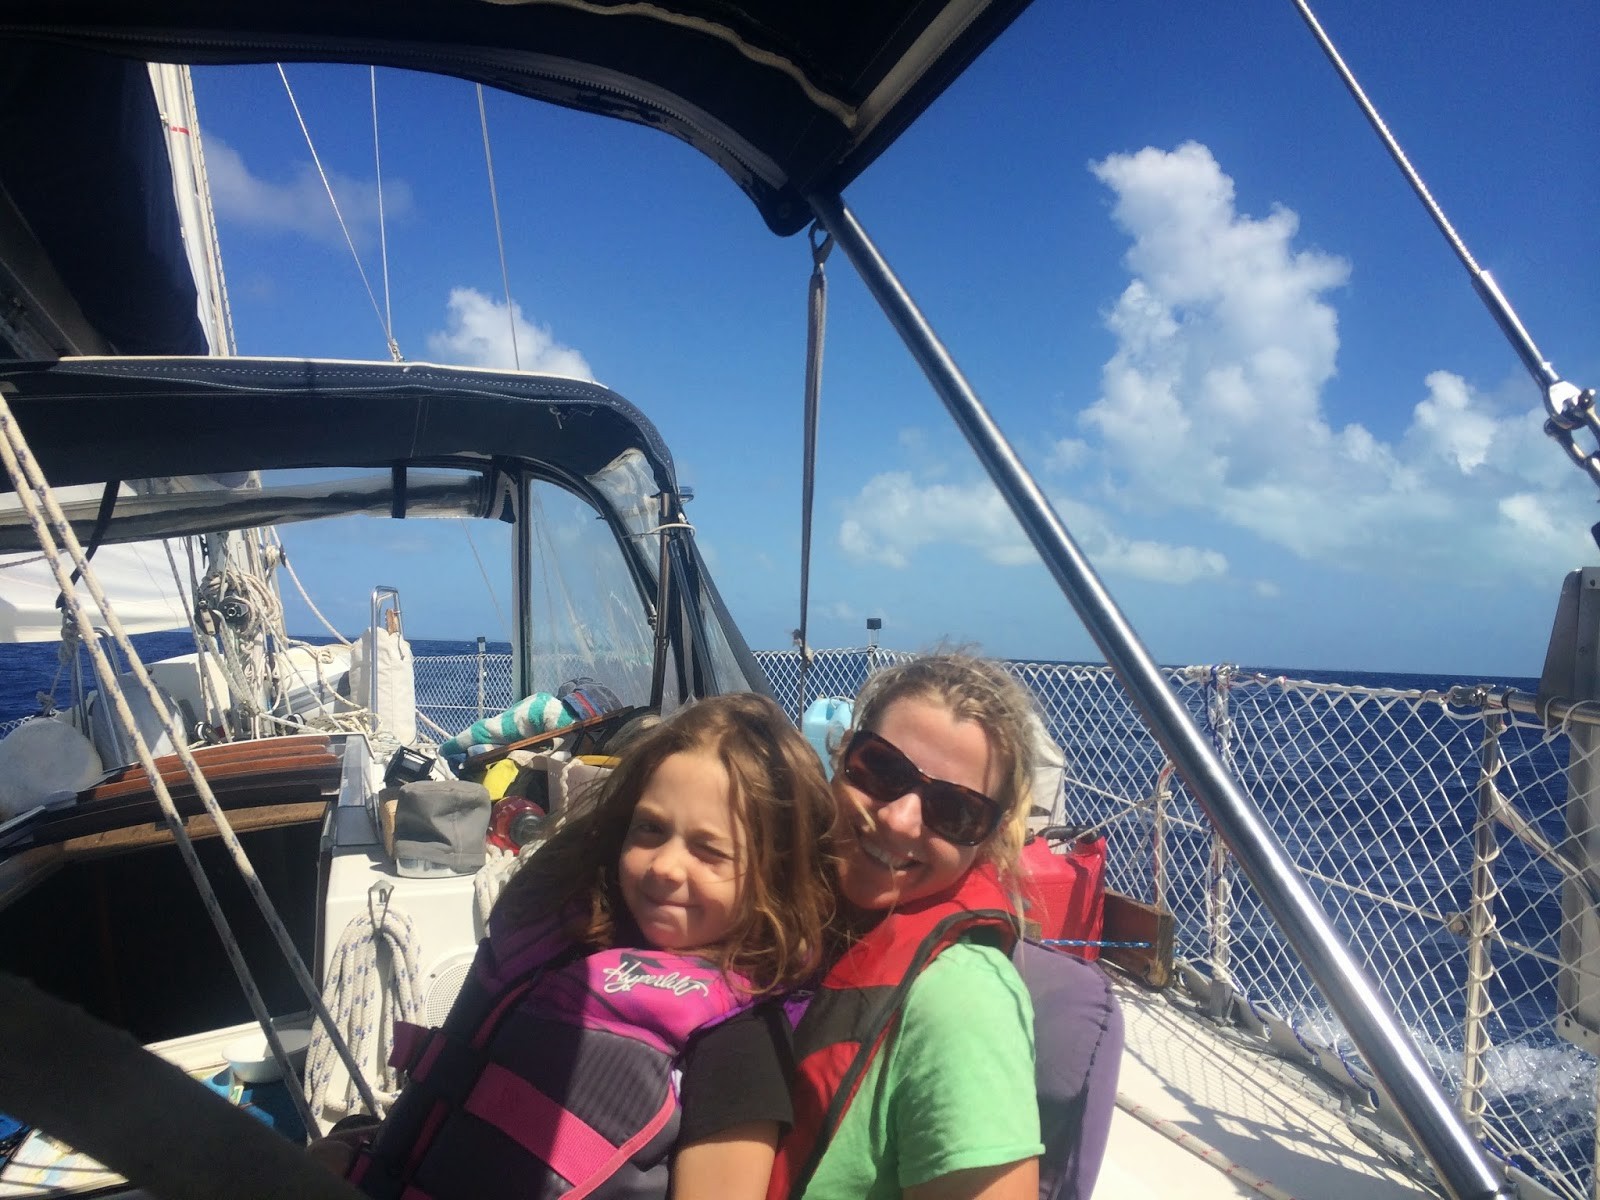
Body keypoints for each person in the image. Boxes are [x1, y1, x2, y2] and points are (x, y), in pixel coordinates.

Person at [342, 692, 838, 1200]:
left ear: (772, 877)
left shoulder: (739, 1041)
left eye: (709, 851)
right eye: (650, 829)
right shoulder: (557, 939)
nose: (665, 866)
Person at [770, 654, 1044, 1200]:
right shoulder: (783, 907)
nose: (899, 819)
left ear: (985, 839)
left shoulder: (963, 1002)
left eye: (955, 811)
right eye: (883, 770)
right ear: (844, 754)